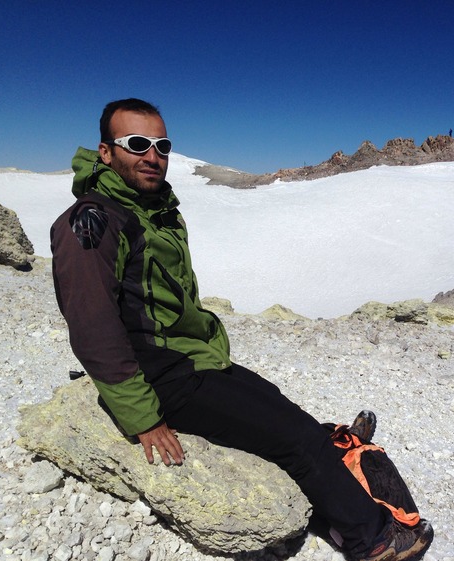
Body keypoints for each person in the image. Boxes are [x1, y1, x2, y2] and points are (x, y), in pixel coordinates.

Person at [50, 98, 433, 561]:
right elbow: (91, 325)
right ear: (106, 152)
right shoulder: (95, 220)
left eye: (161, 145)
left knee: (282, 411)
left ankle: (334, 499)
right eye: (136, 144)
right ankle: (372, 539)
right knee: (298, 440)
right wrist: (142, 416)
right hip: (163, 378)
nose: (153, 155)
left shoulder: (149, 209)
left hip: (190, 360)